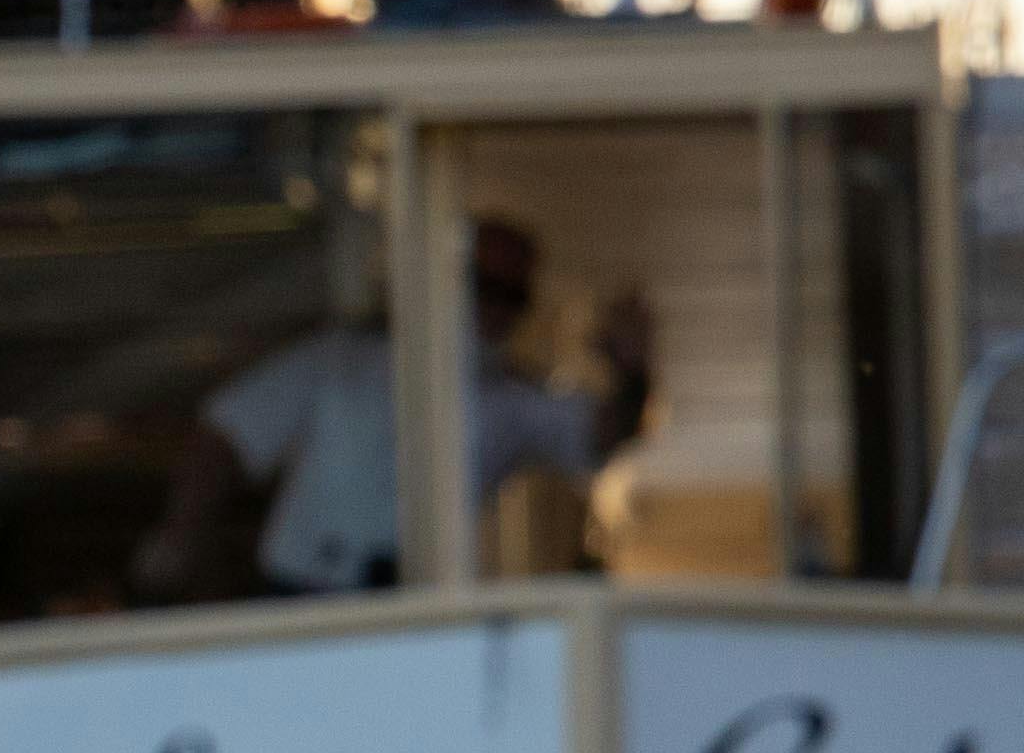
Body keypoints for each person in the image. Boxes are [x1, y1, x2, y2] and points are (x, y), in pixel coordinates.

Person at [156, 213, 654, 596]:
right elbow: (226, 434)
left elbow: (604, 435)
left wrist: (631, 375)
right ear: (446, 278)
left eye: (511, 295)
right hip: (296, 593)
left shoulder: (510, 400)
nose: (494, 308)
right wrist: (182, 541)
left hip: (412, 610)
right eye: (483, 285)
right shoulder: (343, 359)